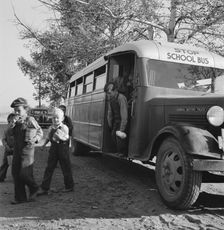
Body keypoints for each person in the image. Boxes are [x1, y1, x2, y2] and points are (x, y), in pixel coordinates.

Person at [10, 97, 43, 204]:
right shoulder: (14, 121)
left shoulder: (30, 120)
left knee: (24, 174)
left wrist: (36, 139)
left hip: (27, 150)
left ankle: (35, 188)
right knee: (15, 172)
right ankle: (20, 198)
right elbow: (10, 134)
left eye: (18, 110)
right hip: (17, 150)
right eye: (15, 110)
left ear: (25, 109)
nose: (16, 112)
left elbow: (40, 132)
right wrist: (12, 125)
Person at [38, 107, 74, 195]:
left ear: (62, 118)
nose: (55, 119)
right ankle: (44, 187)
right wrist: (43, 145)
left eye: (57, 117)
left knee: (66, 168)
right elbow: (48, 138)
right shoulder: (51, 128)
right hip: (53, 150)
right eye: (54, 117)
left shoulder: (64, 127)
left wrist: (60, 137)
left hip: (63, 150)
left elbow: (66, 137)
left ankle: (69, 186)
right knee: (49, 168)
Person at [104, 82, 128, 157]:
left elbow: (124, 114)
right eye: (107, 93)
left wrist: (122, 128)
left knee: (119, 137)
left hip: (121, 121)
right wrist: (110, 123)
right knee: (113, 135)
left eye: (109, 93)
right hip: (116, 121)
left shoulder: (121, 98)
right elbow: (110, 113)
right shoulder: (111, 99)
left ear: (114, 91)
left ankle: (122, 152)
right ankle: (119, 151)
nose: (108, 95)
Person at [0, 113, 18, 182]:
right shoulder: (6, 130)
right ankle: (1, 176)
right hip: (8, 150)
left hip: (16, 150)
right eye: (10, 121)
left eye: (14, 122)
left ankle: (17, 178)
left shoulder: (18, 131)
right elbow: (3, 139)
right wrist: (6, 146)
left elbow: (19, 141)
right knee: (5, 163)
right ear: (8, 122)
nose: (12, 123)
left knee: (16, 164)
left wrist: (15, 148)